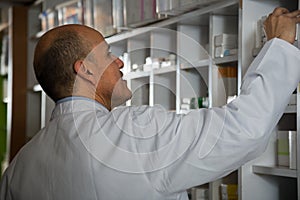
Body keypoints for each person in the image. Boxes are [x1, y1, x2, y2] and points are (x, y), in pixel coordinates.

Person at [1, 7, 300, 200]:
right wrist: (279, 45)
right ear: (86, 69)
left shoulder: (18, 168)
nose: (119, 62)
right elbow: (244, 128)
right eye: (107, 54)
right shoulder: (131, 134)